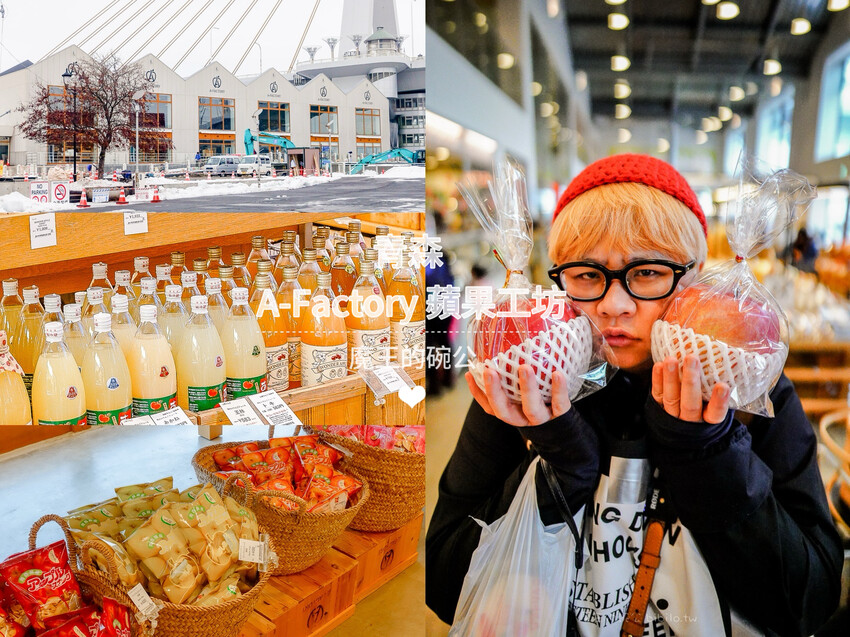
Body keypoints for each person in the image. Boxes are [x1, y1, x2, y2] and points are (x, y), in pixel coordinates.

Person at [426, 154, 843, 636]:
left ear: (695, 278)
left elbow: (812, 598)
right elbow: (445, 584)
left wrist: (709, 455)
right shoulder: (525, 384)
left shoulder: (747, 389)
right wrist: (558, 468)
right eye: (585, 274)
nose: (614, 304)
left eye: (647, 273)